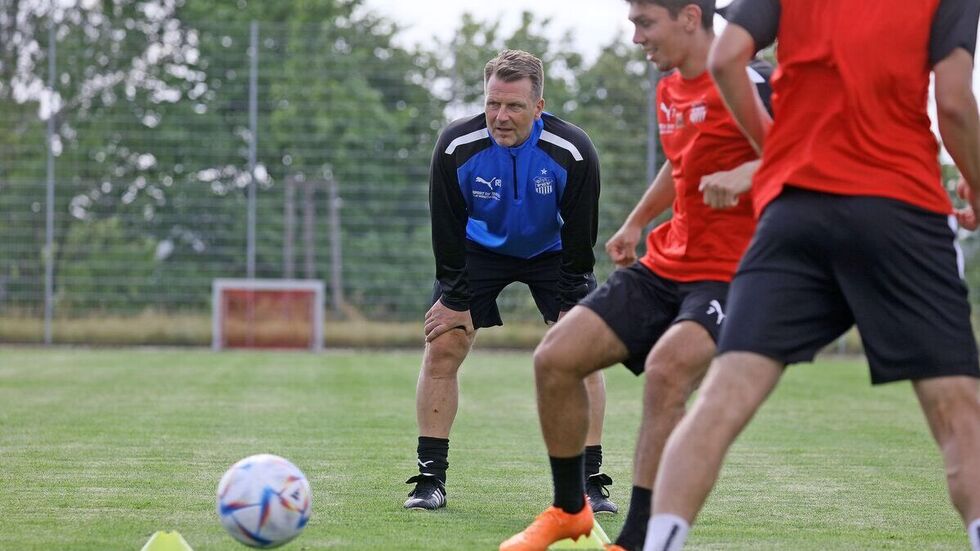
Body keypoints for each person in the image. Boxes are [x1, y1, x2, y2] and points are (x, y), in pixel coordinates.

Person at [643, 0, 980, 550]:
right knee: (956, 410)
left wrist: (776, 155)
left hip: (794, 214)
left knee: (721, 399)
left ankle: (659, 543)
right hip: (899, 208)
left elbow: (727, 56)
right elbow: (955, 104)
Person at [499, 2, 772, 549]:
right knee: (556, 358)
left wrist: (745, 174)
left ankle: (638, 538)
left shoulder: (755, 83)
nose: (635, 38)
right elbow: (681, 162)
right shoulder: (670, 87)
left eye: (644, 23)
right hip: (666, 262)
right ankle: (570, 509)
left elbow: (804, 156)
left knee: (669, 373)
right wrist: (637, 221)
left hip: (734, 274)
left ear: (690, 17)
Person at [403, 49, 619, 514]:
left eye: (514, 106)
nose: (501, 117)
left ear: (539, 106)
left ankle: (590, 481)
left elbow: (581, 239)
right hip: (477, 250)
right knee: (444, 343)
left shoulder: (573, 151)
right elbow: (446, 228)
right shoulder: (455, 147)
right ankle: (429, 479)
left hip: (553, 252)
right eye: (493, 104)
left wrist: (571, 302)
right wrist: (456, 300)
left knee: (582, 353)